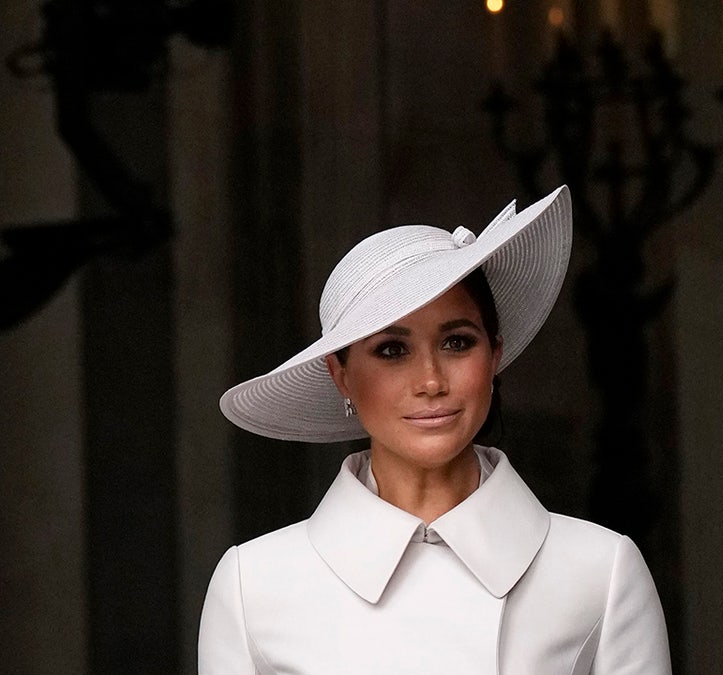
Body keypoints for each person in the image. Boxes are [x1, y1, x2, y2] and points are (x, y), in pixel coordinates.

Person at [199, 186, 672, 673]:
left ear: (495, 355)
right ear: (340, 375)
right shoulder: (252, 587)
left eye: (457, 342)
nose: (430, 381)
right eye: (391, 350)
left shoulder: (601, 571)